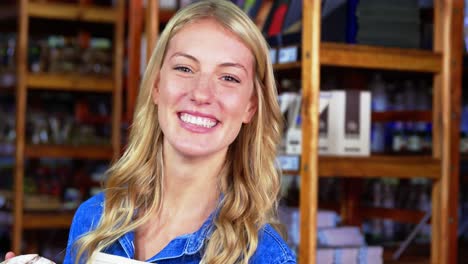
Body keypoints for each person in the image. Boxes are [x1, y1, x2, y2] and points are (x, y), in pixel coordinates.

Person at [6, 1, 296, 263]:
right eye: (184, 68)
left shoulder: (265, 256)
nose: (201, 93)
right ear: (157, 85)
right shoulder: (94, 220)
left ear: (250, 106)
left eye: (229, 77)